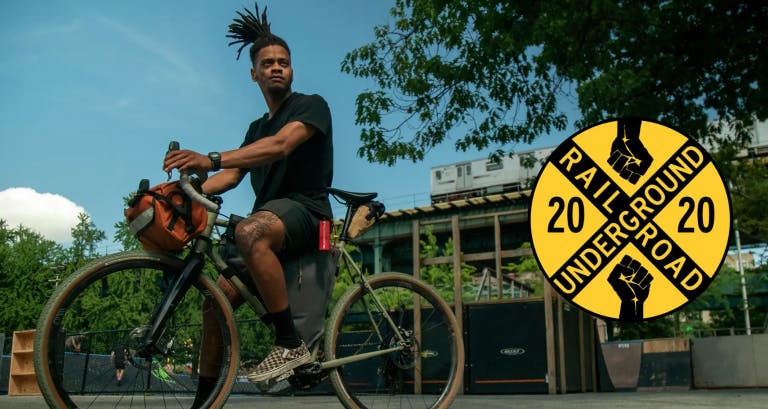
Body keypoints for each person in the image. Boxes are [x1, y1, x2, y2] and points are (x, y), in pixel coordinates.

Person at [163, 3, 333, 404]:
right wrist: (190, 186)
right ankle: (203, 401)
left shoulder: (311, 105)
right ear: (253, 72)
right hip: (268, 223)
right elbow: (233, 175)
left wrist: (212, 158)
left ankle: (290, 345)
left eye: (284, 62)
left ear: (292, 70)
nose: (277, 67)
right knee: (214, 302)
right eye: (268, 62)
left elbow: (281, 146)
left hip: (306, 213)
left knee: (249, 230)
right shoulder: (256, 127)